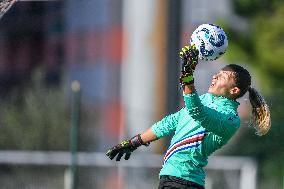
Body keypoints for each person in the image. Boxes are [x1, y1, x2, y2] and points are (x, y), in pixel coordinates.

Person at [106, 45, 271, 189]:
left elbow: (197, 112)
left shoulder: (230, 118)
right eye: (217, 73)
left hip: (184, 181)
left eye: (222, 77)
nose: (215, 76)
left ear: (234, 90)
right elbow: (169, 123)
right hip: (171, 178)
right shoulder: (205, 99)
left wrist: (187, 75)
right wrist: (135, 142)